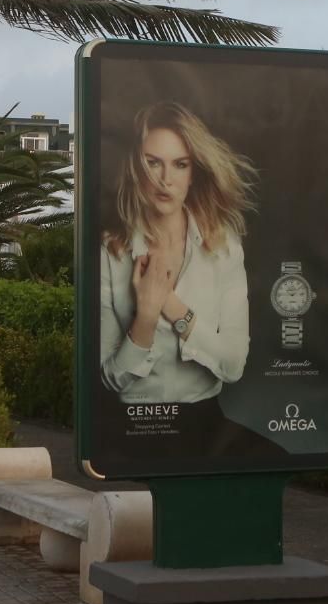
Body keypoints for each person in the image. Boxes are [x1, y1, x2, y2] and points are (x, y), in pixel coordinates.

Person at [99, 101, 279, 459]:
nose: (166, 180)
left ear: (193, 172)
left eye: (180, 165)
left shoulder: (223, 246)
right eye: (153, 163)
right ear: (136, 168)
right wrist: (146, 317)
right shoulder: (110, 251)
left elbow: (232, 365)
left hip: (204, 425)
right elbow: (111, 377)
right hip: (136, 424)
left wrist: (170, 305)